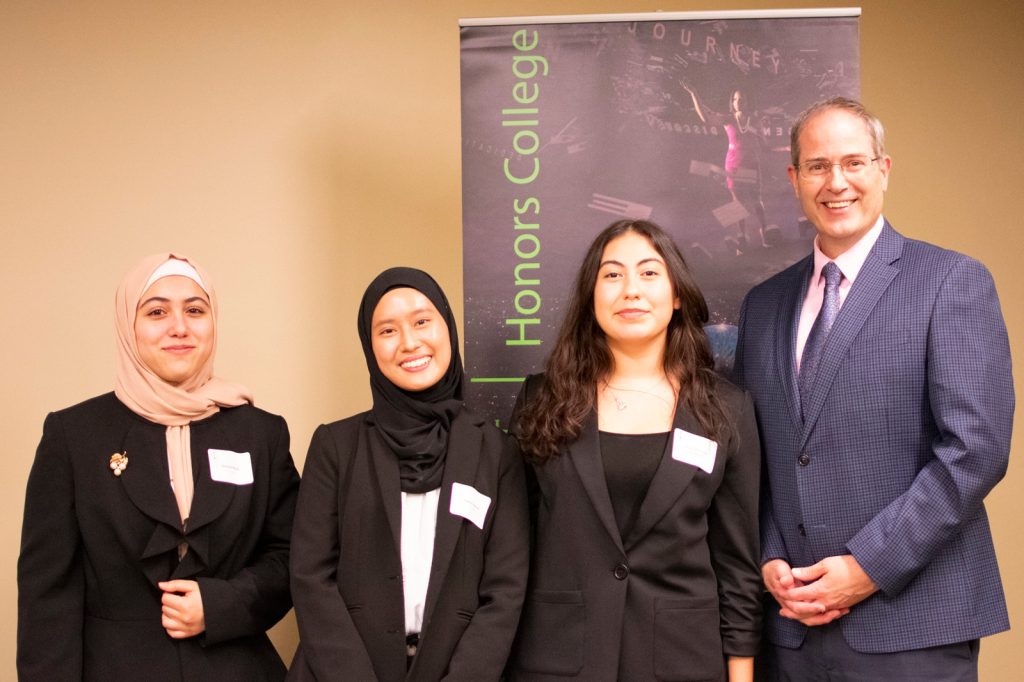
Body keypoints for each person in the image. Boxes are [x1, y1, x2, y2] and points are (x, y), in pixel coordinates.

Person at [733, 97, 1014, 680]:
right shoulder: (763, 306)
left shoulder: (951, 282)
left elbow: (975, 452)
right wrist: (768, 556)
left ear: (883, 170)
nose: (836, 182)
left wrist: (868, 566)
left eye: (854, 163)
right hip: (790, 628)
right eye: (817, 166)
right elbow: (750, 453)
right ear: (794, 179)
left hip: (912, 625)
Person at [17, 253, 301, 681]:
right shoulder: (73, 436)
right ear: (129, 326)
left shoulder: (261, 434)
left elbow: (292, 557)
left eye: (194, 310)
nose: (179, 327)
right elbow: (47, 596)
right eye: (156, 312)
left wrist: (221, 605)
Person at [508, 220, 762, 682]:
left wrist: (741, 675)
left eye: (649, 273)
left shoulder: (727, 409)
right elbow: (512, 547)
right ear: (591, 295)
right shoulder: (540, 401)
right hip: (560, 660)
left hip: (681, 660)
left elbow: (738, 564)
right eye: (612, 275)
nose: (630, 290)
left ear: (677, 293)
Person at [288, 267, 529, 682]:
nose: (410, 342)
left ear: (447, 328)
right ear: (370, 346)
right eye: (387, 331)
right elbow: (311, 578)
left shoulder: (496, 450)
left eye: (422, 321)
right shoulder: (335, 446)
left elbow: (505, 592)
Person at [681, 84, 770, 250]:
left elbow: (765, 145)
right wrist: (694, 93)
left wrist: (770, 138)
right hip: (734, 165)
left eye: (741, 99)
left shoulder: (756, 120)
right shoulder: (728, 119)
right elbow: (705, 117)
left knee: (756, 200)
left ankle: (764, 232)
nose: (738, 102)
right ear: (732, 102)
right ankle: (742, 237)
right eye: (735, 99)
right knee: (737, 203)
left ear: (748, 101)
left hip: (751, 164)